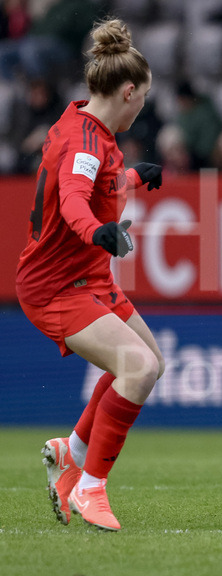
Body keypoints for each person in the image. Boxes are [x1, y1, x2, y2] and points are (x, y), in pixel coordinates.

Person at [16, 18, 165, 532]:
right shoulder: (85, 141)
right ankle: (88, 487)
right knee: (138, 369)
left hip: (88, 278)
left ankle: (70, 452)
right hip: (57, 286)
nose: (142, 106)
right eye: (142, 98)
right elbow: (76, 202)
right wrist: (97, 233)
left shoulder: (83, 124)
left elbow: (91, 181)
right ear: (127, 91)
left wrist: (131, 178)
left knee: (150, 363)